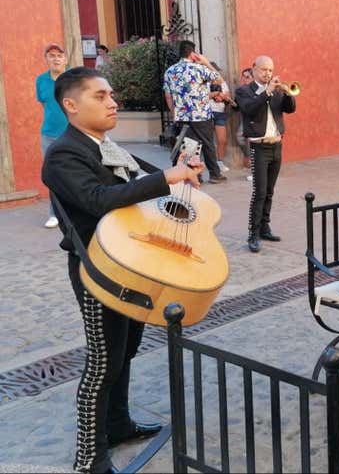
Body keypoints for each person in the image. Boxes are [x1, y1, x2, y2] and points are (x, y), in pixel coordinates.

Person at [41, 67, 205, 473]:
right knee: (103, 363)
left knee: (125, 350)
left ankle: (118, 425)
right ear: (70, 105)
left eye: (111, 94)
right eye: (100, 96)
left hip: (131, 264)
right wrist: (166, 178)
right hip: (98, 272)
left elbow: (139, 182)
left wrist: (176, 171)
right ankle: (89, 459)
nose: (113, 102)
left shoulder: (106, 145)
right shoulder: (63, 154)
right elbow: (98, 198)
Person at [235, 55, 296, 252]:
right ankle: (253, 234)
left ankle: (265, 228)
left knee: (270, 191)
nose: (267, 73)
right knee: (259, 192)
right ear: (254, 69)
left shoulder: (276, 91)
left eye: (270, 70)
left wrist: (287, 93)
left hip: (276, 145)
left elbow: (290, 109)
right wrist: (267, 92)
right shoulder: (244, 91)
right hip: (259, 148)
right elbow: (249, 109)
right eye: (263, 69)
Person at [163, 40, 226, 184]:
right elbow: (219, 80)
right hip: (200, 114)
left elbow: (168, 96)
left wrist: (174, 113)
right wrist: (206, 62)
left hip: (182, 115)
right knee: (207, 144)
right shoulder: (199, 68)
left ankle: (192, 174)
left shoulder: (170, 71)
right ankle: (214, 174)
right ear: (193, 54)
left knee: (188, 146)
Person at [36, 42, 69, 228]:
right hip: (49, 135)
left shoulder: (74, 78)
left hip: (73, 134)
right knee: (52, 174)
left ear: (65, 59)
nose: (56, 59)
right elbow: (45, 104)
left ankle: (79, 210)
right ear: (46, 60)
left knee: (77, 171)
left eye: (59, 55)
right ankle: (54, 213)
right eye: (51, 56)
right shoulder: (41, 80)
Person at [208, 61, 232, 173]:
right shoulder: (203, 82)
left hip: (220, 113)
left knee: (222, 140)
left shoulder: (222, 83)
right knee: (208, 141)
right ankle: (211, 164)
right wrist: (215, 94)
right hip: (207, 113)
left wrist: (222, 96)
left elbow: (228, 96)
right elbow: (200, 96)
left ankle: (220, 162)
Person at [236, 67, 253, 180]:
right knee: (240, 137)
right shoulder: (241, 90)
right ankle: (249, 157)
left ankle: (255, 172)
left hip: (255, 119)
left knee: (254, 144)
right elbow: (237, 107)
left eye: (247, 77)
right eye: (244, 77)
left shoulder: (256, 89)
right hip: (245, 118)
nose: (245, 79)